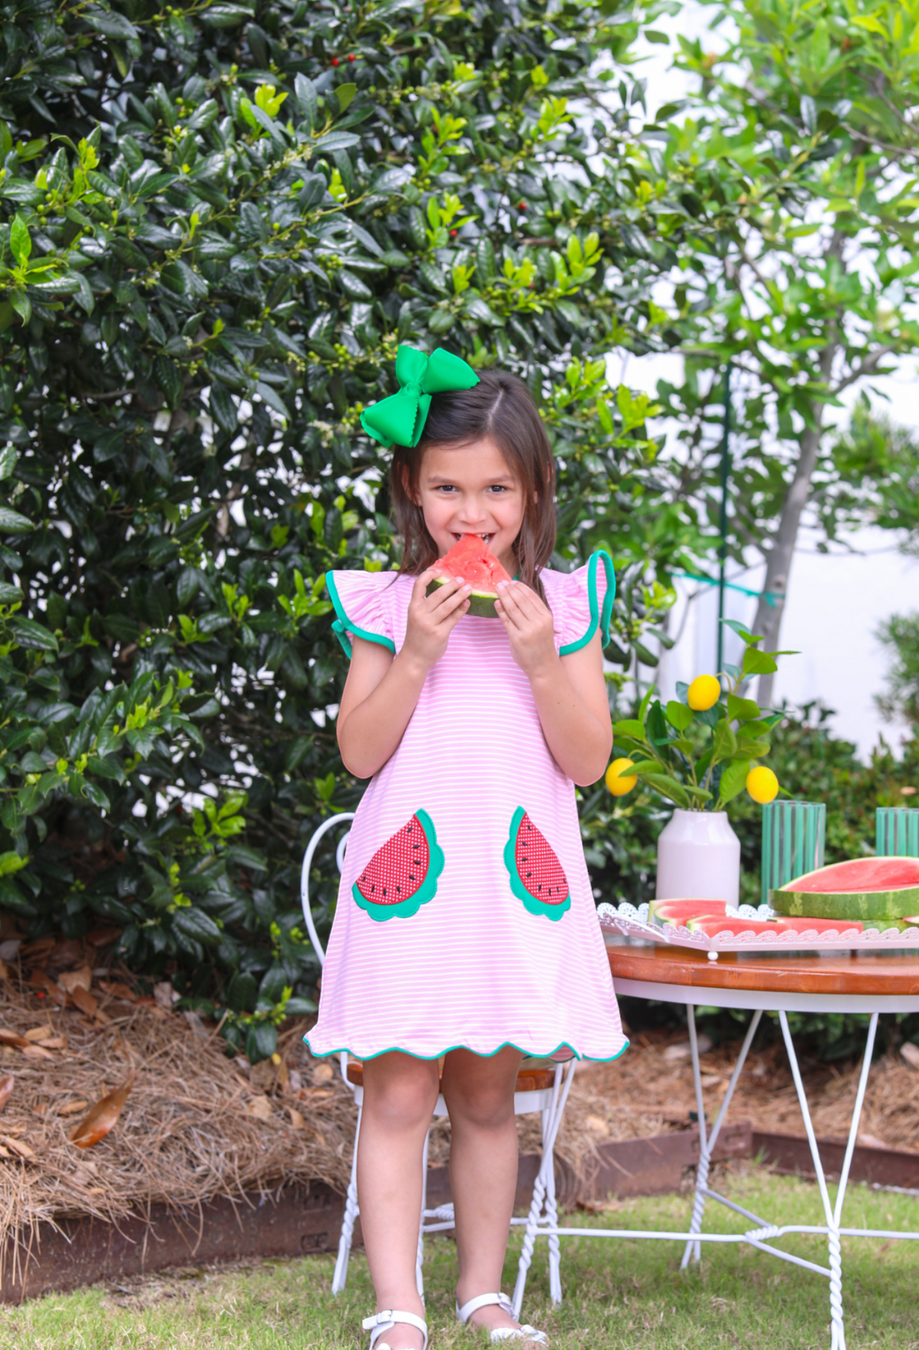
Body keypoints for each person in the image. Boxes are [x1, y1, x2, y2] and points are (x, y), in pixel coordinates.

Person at [304, 346, 627, 1350]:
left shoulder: (566, 610)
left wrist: (540, 657)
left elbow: (582, 761)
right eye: (447, 487)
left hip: (513, 889)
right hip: (411, 892)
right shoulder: (385, 605)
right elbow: (362, 751)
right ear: (412, 487)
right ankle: (398, 1305)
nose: (470, 515)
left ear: (534, 492)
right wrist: (417, 654)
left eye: (495, 488)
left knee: (490, 1099)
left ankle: (483, 1294)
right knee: (399, 1092)